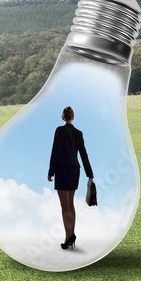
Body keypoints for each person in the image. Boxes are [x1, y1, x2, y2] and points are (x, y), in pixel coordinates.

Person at [47, 106, 93, 250]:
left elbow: (55, 151)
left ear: (63, 117)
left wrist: (51, 172)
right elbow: (84, 155)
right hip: (75, 170)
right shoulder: (78, 133)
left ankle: (68, 237)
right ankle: (71, 234)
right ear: (73, 117)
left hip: (62, 170)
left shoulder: (59, 131)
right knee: (71, 204)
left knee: (64, 205)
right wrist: (89, 173)